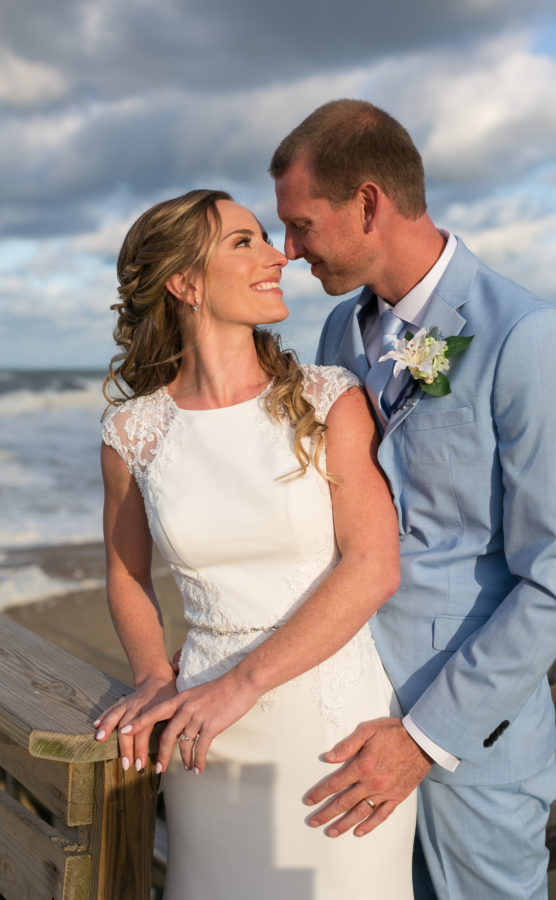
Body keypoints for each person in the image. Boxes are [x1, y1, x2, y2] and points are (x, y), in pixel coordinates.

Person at [270, 99, 556, 899]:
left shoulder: (526, 334)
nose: (289, 250)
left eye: (302, 225)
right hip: (345, 724)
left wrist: (423, 737)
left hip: (469, 745)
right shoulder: (339, 334)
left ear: (368, 204)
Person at [93, 188, 417, 899]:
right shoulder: (132, 433)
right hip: (205, 739)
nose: (279, 256)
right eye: (246, 242)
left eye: (267, 238)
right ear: (185, 283)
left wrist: (239, 686)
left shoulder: (329, 399)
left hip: (333, 735)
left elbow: (373, 567)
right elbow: (125, 573)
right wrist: (151, 675)